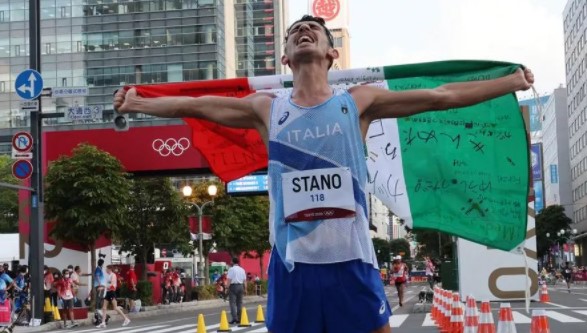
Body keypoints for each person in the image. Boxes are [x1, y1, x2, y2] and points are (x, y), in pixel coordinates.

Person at [113, 14, 534, 333]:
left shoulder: (359, 101)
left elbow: (441, 96)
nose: (304, 29)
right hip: (292, 263)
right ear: (285, 56)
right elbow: (198, 105)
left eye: (314, 27)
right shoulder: (267, 107)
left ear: (332, 53)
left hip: (351, 259)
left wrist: (509, 82)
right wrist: (139, 104)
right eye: (295, 29)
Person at [226, 257, 247, 325]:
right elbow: (244, 280)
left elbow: (229, 279)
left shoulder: (231, 269)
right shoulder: (242, 269)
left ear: (232, 262)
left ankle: (234, 318)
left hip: (233, 286)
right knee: (239, 303)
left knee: (232, 303)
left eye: (231, 261)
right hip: (241, 286)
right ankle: (240, 318)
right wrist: (245, 289)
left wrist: (226, 288)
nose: (230, 262)